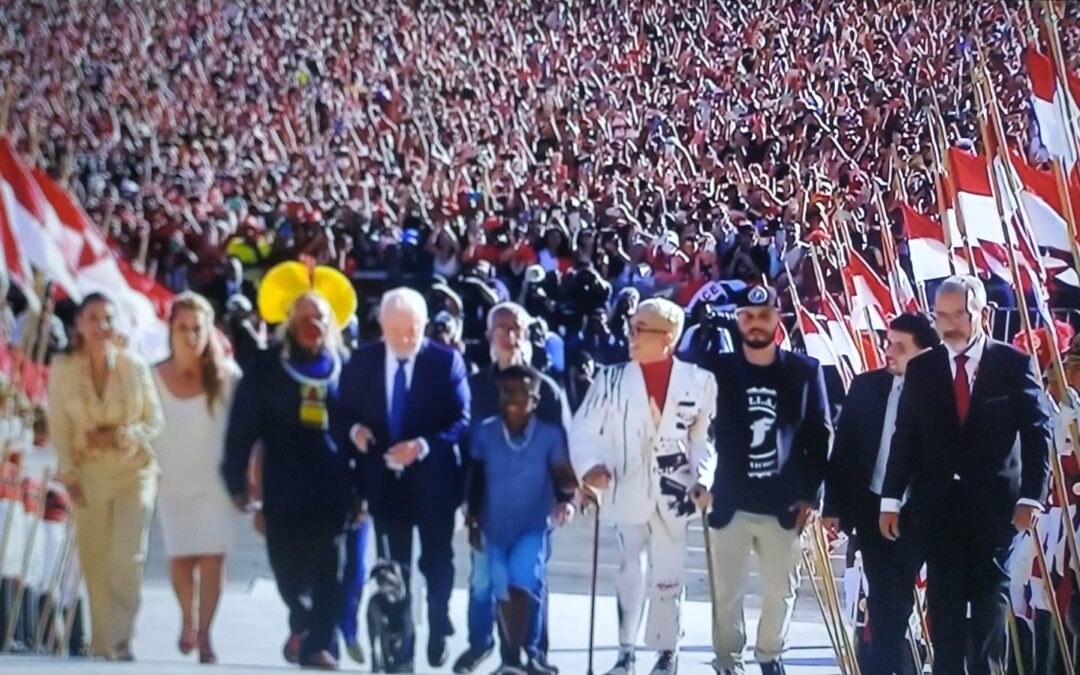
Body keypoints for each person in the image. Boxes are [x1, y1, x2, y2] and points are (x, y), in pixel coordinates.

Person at [880, 275, 1051, 674]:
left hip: (995, 513)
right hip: (936, 512)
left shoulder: (1012, 364)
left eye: (960, 315)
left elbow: (1037, 432)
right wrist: (891, 499)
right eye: (942, 316)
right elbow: (905, 435)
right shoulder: (922, 369)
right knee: (945, 612)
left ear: (983, 314)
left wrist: (1031, 497)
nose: (950, 325)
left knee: (991, 609)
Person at [571, 297, 718, 675]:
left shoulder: (700, 382)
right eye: (630, 327)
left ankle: (667, 650)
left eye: (639, 329)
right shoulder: (611, 378)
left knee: (669, 574)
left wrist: (703, 478)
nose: (630, 335)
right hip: (626, 485)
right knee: (628, 569)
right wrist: (590, 468)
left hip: (676, 491)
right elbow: (584, 428)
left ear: (667, 337)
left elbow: (704, 441)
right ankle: (625, 651)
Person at [223, 261, 359, 670]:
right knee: (286, 573)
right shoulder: (265, 369)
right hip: (281, 488)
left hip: (333, 490)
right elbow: (241, 431)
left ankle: (318, 644)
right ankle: (301, 622)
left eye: (318, 318)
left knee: (329, 574)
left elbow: (363, 431)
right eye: (302, 317)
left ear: (330, 324)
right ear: (289, 322)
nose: (311, 324)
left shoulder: (347, 368)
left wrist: (363, 490)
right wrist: (236, 482)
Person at [699, 285, 832, 675]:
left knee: (780, 591)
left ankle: (770, 655)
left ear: (778, 318)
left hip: (783, 505)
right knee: (726, 593)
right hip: (729, 500)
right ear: (738, 320)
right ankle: (727, 660)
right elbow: (697, 426)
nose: (755, 323)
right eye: (747, 316)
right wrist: (701, 479)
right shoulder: (717, 370)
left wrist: (811, 494)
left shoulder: (804, 370)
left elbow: (819, 436)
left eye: (763, 315)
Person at [336, 286, 470, 670]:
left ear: (424, 325)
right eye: (396, 331)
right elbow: (341, 412)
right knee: (396, 570)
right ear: (382, 327)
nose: (405, 338)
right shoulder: (363, 362)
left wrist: (423, 446)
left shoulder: (445, 364)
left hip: (433, 482)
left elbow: (461, 420)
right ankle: (400, 648)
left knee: (436, 562)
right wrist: (356, 431)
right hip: (384, 482)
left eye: (412, 329)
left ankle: (439, 623)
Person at [454, 302, 571, 675]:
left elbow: (564, 449)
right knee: (483, 580)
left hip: (535, 507)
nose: (509, 334)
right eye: (501, 328)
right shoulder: (474, 388)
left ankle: (526, 653)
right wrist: (465, 504)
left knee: (529, 579)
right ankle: (479, 643)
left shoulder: (547, 391)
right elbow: (464, 448)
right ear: (488, 336)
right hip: (486, 507)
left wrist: (565, 498)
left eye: (516, 328)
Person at [46, 292, 165, 660]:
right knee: (95, 560)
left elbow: (154, 419)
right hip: (90, 473)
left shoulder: (134, 366)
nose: (101, 326)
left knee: (127, 557)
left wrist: (123, 435)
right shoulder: (64, 369)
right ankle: (103, 644)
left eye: (108, 318)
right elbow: (59, 427)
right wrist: (69, 475)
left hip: (135, 471)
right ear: (78, 325)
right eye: (93, 318)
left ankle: (121, 639)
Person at [822, 312, 939, 674]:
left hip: (921, 512)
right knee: (883, 597)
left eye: (899, 347)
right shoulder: (865, 387)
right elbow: (844, 450)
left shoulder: (943, 393)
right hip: (871, 509)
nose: (888, 351)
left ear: (924, 353)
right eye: (888, 343)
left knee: (901, 600)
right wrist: (833, 507)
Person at [153, 292, 241, 665]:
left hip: (216, 482)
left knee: (212, 557)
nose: (189, 336)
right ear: (171, 330)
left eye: (197, 328)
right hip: (171, 479)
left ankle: (205, 634)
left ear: (210, 331)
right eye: (182, 328)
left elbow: (245, 433)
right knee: (181, 558)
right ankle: (186, 618)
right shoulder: (152, 375)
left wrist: (248, 478)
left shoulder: (229, 377)